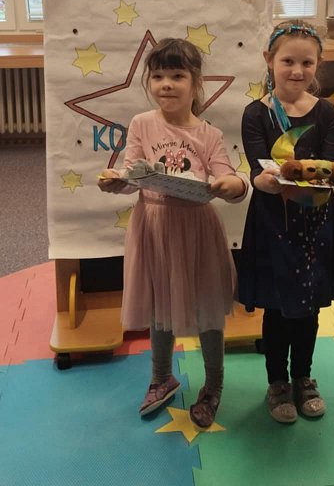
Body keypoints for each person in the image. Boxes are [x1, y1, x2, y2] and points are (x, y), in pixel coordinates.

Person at [98, 38, 248, 430]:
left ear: (196, 83)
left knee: (207, 309)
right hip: (153, 226)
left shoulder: (209, 134)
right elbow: (133, 172)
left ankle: (213, 385)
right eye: (158, 76)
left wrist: (232, 185)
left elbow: (227, 176)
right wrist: (117, 181)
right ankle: (161, 377)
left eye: (177, 75)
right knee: (158, 303)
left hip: (196, 230)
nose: (166, 84)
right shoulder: (141, 124)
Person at [237, 19, 334, 424]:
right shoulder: (256, 113)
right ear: (269, 60)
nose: (297, 70)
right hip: (273, 223)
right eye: (288, 61)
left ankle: (304, 376)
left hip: (316, 222)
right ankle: (277, 381)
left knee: (309, 306)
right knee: (277, 308)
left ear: (318, 64)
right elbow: (259, 170)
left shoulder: (326, 111)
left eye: (307, 63)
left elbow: (330, 164)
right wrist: (264, 182)